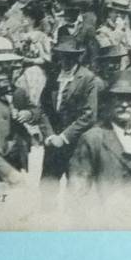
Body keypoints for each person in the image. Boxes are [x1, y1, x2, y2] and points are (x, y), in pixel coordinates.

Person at [68, 70, 131, 200]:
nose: (124, 105)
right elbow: (77, 190)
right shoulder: (93, 138)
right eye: (118, 98)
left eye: (129, 98)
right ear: (108, 103)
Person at [39, 36, 99, 182]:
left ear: (78, 57)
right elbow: (43, 108)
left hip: (76, 145)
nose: (66, 61)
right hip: (53, 144)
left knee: (77, 191)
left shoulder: (87, 78)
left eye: (71, 57)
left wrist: (64, 137)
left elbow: (89, 114)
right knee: (48, 189)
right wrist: (49, 135)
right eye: (63, 56)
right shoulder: (53, 76)